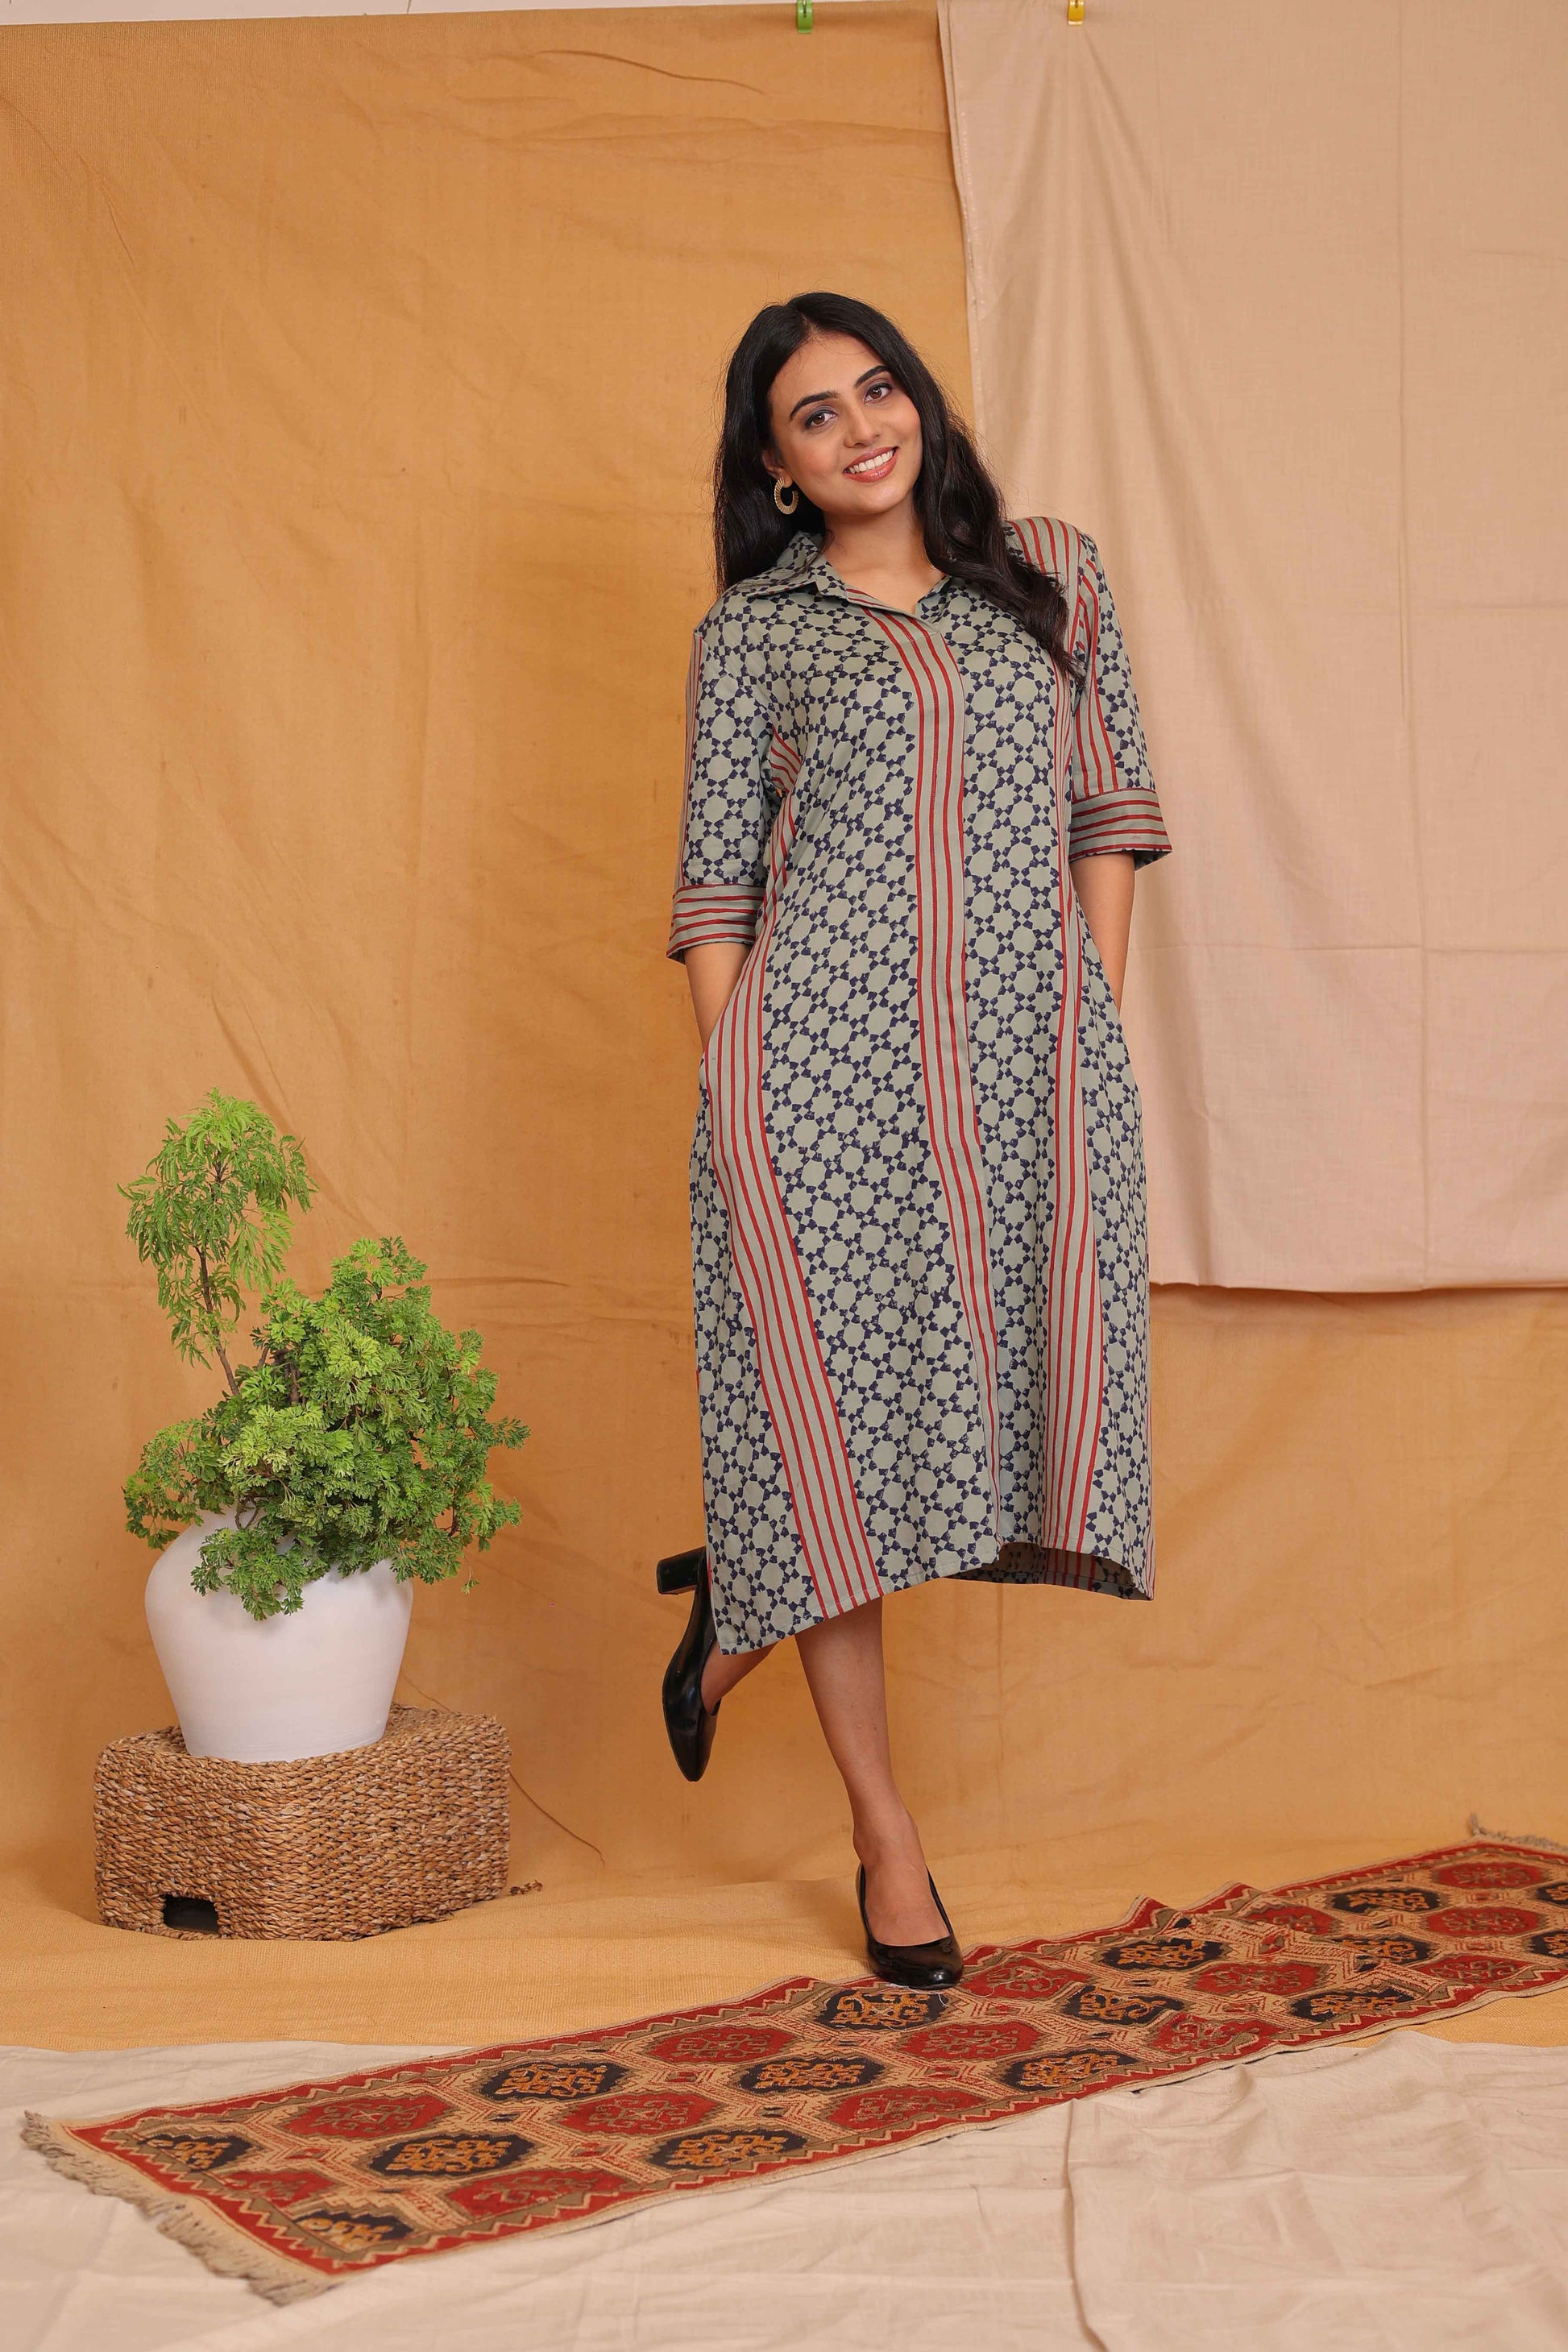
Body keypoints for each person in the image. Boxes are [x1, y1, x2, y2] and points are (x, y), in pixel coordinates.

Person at [659, 292, 1172, 1989]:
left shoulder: (1046, 571)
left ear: (920, 404)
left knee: (949, 1427)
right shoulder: (756, 633)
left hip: (1019, 1069)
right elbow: (715, 892)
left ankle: (740, 1599)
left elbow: (1107, 812)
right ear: (777, 467)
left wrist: (1082, 1020)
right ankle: (887, 1843)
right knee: (828, 1443)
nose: (861, 427)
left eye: (877, 389)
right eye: (815, 415)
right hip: (807, 1086)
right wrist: (735, 1091)